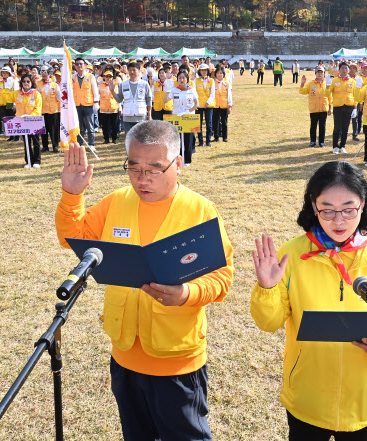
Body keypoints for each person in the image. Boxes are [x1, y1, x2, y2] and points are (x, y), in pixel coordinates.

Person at [55, 120, 234, 441]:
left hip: (176, 362)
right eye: (134, 167)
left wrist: (187, 293)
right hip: (125, 357)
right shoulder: (116, 202)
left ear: (178, 165)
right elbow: (73, 239)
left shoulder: (200, 210)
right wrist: (72, 194)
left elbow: (222, 276)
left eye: (154, 169)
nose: (142, 178)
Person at [250, 160, 367, 441]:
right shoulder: (292, 254)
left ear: (363, 204)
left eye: (349, 209)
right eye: (327, 210)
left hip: (363, 398)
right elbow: (268, 322)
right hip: (308, 397)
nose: (338, 221)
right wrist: (267, 287)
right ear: (313, 205)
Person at [165, 71, 199, 165]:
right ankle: (178, 160)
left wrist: (188, 112)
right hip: (177, 117)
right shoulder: (174, 90)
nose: (182, 80)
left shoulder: (192, 90)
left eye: (184, 78)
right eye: (180, 78)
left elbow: (197, 104)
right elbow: (165, 100)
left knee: (188, 139)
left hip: (188, 116)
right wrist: (167, 89)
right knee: (177, 139)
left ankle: (187, 160)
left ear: (187, 80)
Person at [115, 62, 153, 136]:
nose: (132, 72)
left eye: (134, 70)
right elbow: (119, 99)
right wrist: (112, 91)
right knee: (130, 140)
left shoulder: (144, 84)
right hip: (127, 117)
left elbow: (149, 99)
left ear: (139, 71)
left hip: (141, 116)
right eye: (130, 70)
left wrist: (149, 114)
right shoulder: (123, 84)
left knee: (141, 139)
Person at [14, 74, 43, 168]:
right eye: (24, 81)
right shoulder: (16, 93)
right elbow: (8, 102)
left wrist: (30, 116)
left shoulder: (36, 94)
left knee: (36, 141)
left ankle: (37, 161)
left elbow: (38, 108)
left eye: (28, 81)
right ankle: (28, 160)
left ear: (32, 82)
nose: (26, 83)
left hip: (33, 121)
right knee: (26, 141)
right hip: (21, 121)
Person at [327, 62, 356, 154]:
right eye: (342, 68)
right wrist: (327, 86)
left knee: (346, 128)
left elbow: (355, 95)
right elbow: (326, 94)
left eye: (346, 68)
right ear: (339, 70)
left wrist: (355, 108)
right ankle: (335, 146)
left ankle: (343, 146)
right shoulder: (334, 80)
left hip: (348, 107)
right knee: (337, 127)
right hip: (338, 107)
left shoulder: (352, 81)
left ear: (348, 70)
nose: (344, 70)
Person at [72, 58, 100, 149]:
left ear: (85, 65)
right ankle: (80, 144)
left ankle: (91, 144)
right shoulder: (72, 77)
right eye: (77, 64)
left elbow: (95, 91)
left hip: (88, 104)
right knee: (79, 126)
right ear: (75, 66)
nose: (79, 66)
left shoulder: (90, 76)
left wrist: (96, 103)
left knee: (90, 126)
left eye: (81, 64)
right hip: (77, 105)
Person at [299, 66, 331, 148]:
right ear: (315, 74)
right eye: (318, 72)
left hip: (323, 108)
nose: (320, 74)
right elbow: (302, 91)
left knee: (322, 126)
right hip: (314, 109)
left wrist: (330, 108)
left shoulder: (327, 84)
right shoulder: (310, 84)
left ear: (324, 74)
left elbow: (330, 97)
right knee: (313, 126)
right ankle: (313, 141)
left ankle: (321, 142)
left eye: (321, 72)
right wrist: (302, 83)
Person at [38, 66, 61, 153]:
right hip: (42, 111)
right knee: (43, 130)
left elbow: (59, 97)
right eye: (42, 73)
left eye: (46, 73)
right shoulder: (37, 83)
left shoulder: (55, 85)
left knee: (53, 130)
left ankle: (55, 146)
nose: (44, 75)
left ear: (49, 74)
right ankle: (45, 146)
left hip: (53, 111)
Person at [194, 64, 215, 147]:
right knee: (198, 124)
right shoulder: (196, 80)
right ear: (199, 71)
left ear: (208, 71)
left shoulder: (212, 81)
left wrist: (208, 102)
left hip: (208, 106)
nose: (204, 72)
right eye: (202, 70)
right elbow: (194, 92)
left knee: (209, 124)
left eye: (205, 70)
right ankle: (201, 141)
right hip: (199, 105)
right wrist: (197, 103)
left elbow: (213, 93)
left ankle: (208, 141)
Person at [99, 70, 121, 144]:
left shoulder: (115, 86)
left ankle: (114, 138)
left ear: (112, 77)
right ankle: (106, 139)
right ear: (104, 77)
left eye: (110, 76)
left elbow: (119, 97)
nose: (108, 78)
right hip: (104, 108)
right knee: (104, 125)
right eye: (107, 76)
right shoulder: (100, 86)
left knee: (114, 125)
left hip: (113, 108)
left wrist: (120, 108)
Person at [0, 67, 18, 141]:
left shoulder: (13, 81)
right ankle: (11, 136)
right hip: (2, 103)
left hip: (10, 103)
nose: (4, 74)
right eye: (3, 72)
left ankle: (17, 136)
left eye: (6, 72)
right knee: (6, 120)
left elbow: (16, 92)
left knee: (12, 119)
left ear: (9, 73)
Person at [211, 67, 231, 143]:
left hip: (224, 105)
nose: (219, 75)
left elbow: (229, 95)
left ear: (223, 75)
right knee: (215, 122)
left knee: (224, 122)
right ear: (215, 74)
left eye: (221, 73)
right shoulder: (213, 83)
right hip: (215, 105)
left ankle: (225, 137)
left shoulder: (227, 84)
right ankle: (216, 137)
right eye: (218, 73)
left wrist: (229, 105)